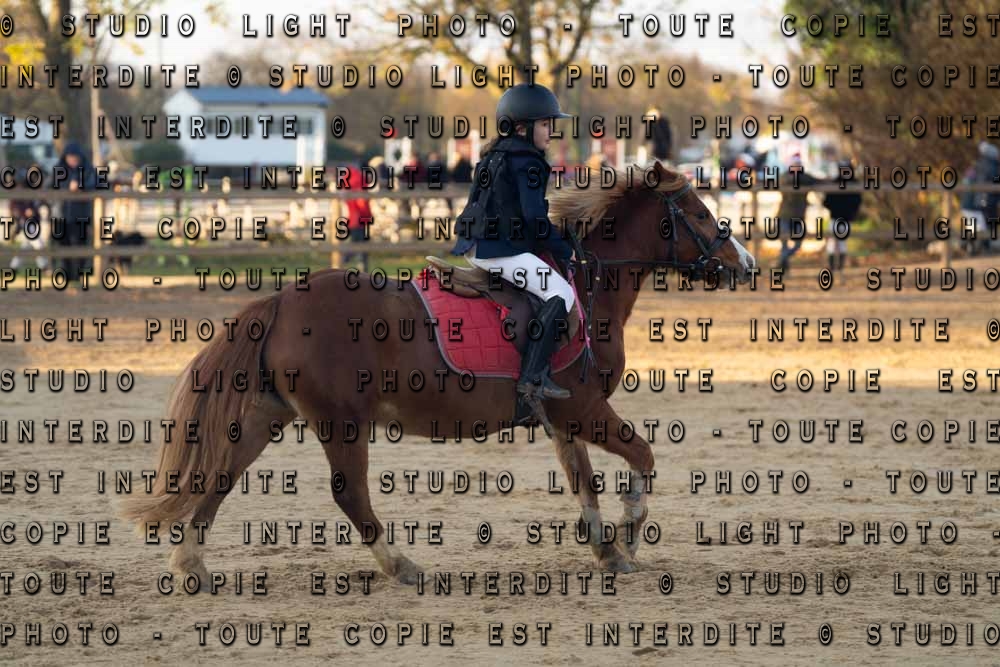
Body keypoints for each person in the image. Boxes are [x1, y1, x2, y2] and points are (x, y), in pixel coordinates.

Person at [450, 82, 576, 422]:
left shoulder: (494, 154)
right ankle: (532, 379)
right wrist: (564, 250)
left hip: (477, 244)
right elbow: (534, 218)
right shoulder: (528, 161)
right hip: (499, 251)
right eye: (545, 124)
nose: (551, 131)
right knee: (561, 293)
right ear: (522, 128)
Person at [53, 142, 97, 282]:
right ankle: (66, 275)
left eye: (75, 157)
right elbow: (50, 186)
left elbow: (96, 183)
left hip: (81, 215)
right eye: (70, 157)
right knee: (63, 245)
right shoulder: (58, 170)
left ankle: (78, 275)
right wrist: (67, 187)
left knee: (80, 245)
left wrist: (80, 186)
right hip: (62, 215)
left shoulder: (88, 170)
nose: (73, 159)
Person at [777, 152, 819, 276]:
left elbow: (816, 180)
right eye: (794, 165)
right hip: (784, 215)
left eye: (798, 165)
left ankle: (781, 260)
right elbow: (785, 181)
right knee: (784, 243)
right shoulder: (785, 177)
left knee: (798, 244)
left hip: (798, 216)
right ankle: (783, 269)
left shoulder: (805, 178)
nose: (796, 167)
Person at [823, 158, 863, 277]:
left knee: (837, 242)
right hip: (843, 217)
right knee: (838, 242)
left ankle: (836, 267)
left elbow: (827, 201)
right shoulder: (852, 183)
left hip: (839, 216)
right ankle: (837, 267)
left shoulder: (838, 182)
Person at [342, 161, 371, 271]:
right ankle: (345, 262)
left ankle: (344, 262)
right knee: (360, 244)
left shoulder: (349, 179)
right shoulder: (360, 180)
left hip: (353, 216)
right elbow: (362, 200)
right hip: (360, 216)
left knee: (356, 243)